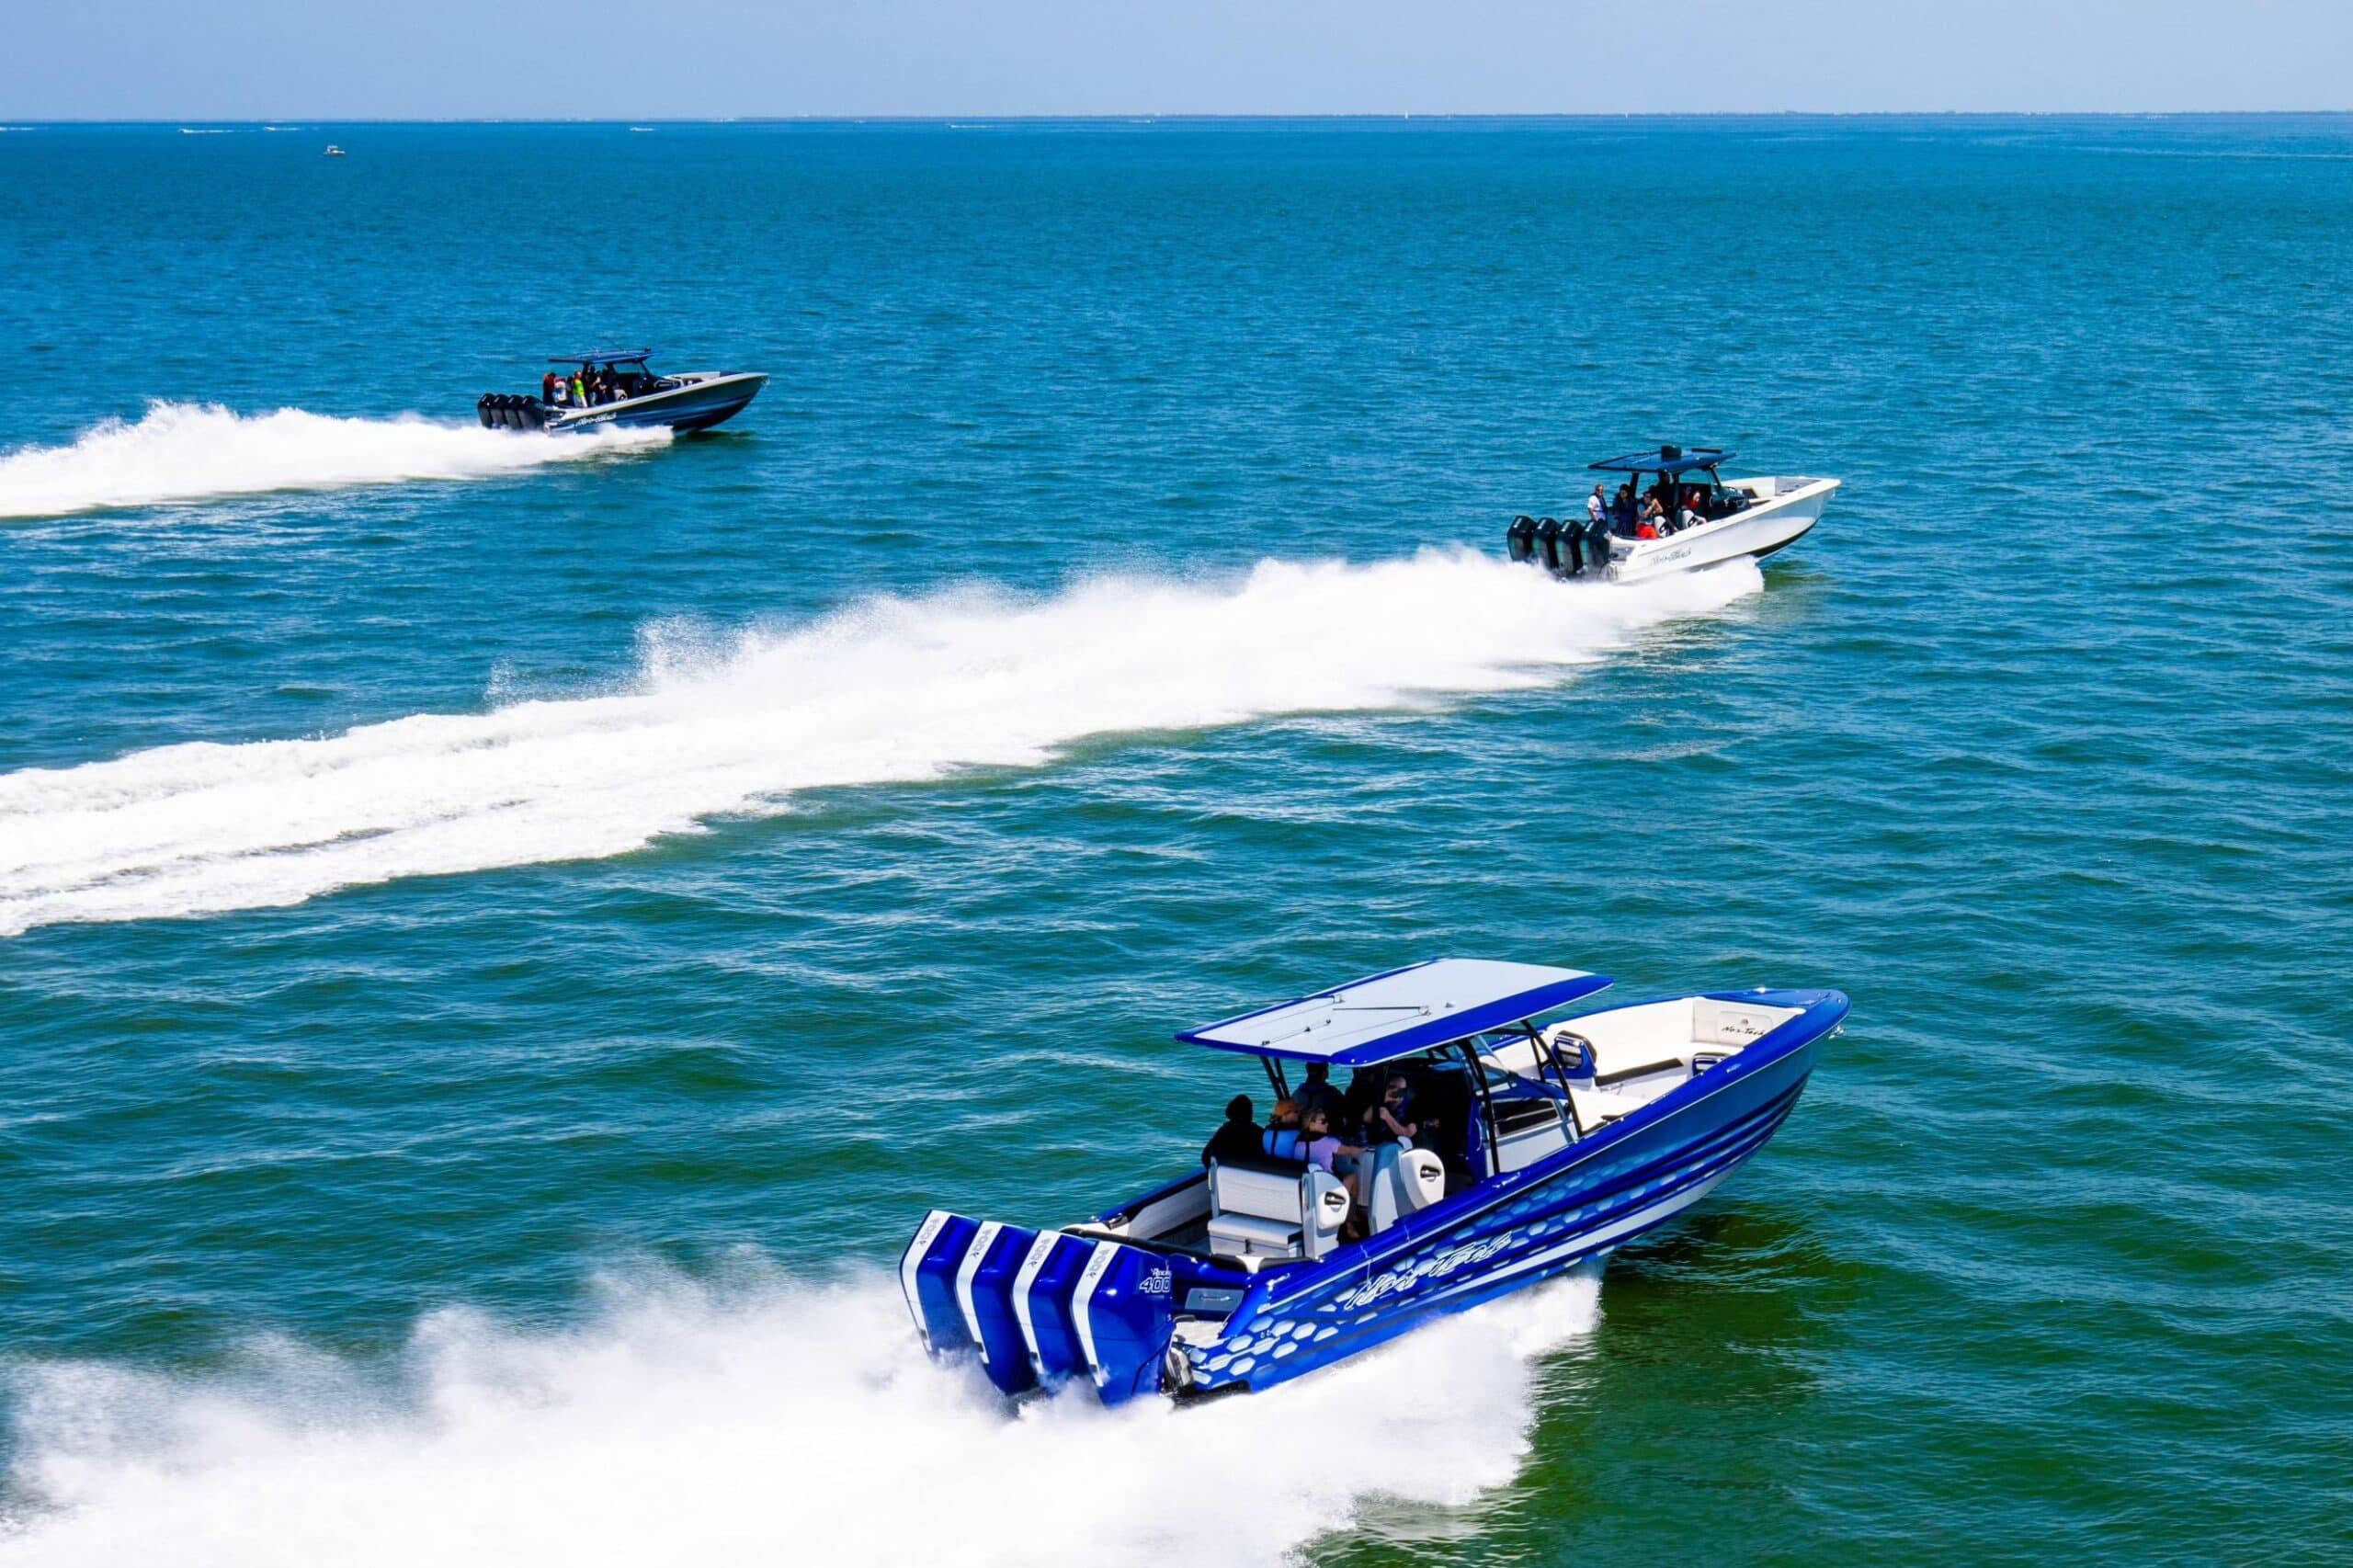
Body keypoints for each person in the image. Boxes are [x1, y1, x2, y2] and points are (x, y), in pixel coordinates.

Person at [1365, 1073, 1426, 1145]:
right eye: (1392, 1087)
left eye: (1400, 1090)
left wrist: (1388, 1117)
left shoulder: (1412, 1108)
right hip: (1374, 1144)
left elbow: (1407, 1133)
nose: (1396, 1091)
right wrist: (1382, 1099)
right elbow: (1366, 1118)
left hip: (1397, 1148)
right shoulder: (1382, 1100)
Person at [1201, 1095, 1261, 1166]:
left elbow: (1205, 1157)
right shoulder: (1259, 1133)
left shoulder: (1223, 1132)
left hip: (1224, 1174)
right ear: (1250, 1113)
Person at [1293, 1062, 1345, 1130]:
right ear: (1324, 1073)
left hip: (1301, 1131)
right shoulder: (1332, 1093)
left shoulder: (1297, 1093)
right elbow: (1345, 1110)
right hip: (1327, 1132)